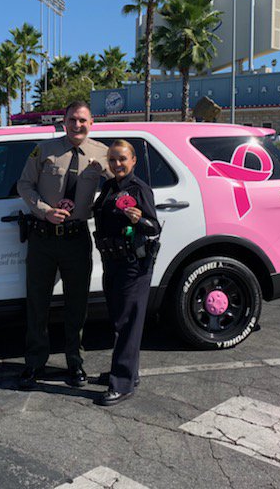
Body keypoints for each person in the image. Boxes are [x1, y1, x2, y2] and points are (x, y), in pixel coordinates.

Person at [16, 101, 111, 390]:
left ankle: (75, 363)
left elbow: (119, 186)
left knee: (77, 304)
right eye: (72, 119)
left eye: (83, 120)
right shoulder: (43, 150)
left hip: (76, 238)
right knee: (37, 302)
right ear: (64, 121)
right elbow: (24, 185)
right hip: (43, 236)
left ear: (91, 122)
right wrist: (45, 210)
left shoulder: (103, 154)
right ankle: (34, 363)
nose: (77, 125)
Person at [92, 140, 160, 406]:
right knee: (119, 318)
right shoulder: (110, 186)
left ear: (133, 161)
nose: (117, 164)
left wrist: (138, 220)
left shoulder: (138, 188)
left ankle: (122, 384)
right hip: (112, 261)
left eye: (122, 159)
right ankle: (128, 373)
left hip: (133, 264)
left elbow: (153, 227)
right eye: (112, 160)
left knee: (126, 323)